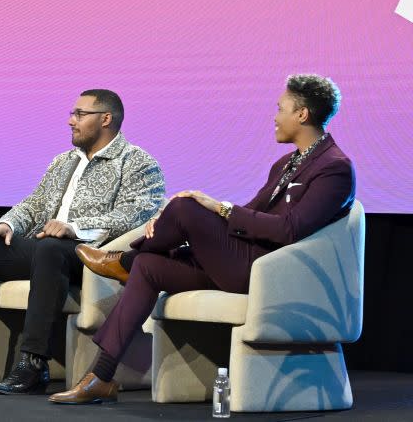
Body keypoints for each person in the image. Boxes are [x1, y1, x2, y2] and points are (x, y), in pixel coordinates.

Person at [53, 74, 355, 405]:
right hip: (236, 263)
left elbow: (288, 229)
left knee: (185, 206)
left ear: (302, 114)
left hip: (266, 274)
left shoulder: (334, 168)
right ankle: (101, 376)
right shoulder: (286, 163)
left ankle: (125, 260)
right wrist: (196, 237)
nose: (274, 116)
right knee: (151, 265)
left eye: (280, 108)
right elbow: (253, 212)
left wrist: (218, 209)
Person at [0, 89, 165, 395]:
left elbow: (137, 213)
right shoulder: (63, 161)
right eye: (72, 114)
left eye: (79, 114)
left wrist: (74, 228)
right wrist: (5, 224)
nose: (70, 121)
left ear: (105, 119)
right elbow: (34, 204)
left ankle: (34, 362)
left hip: (92, 254)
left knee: (50, 249)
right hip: (47, 246)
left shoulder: (138, 163)